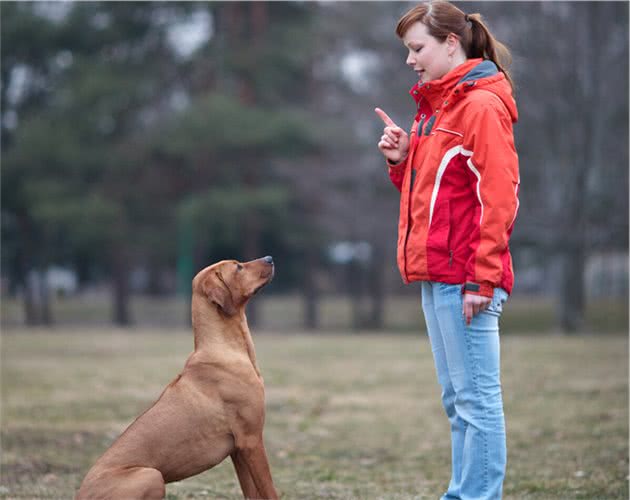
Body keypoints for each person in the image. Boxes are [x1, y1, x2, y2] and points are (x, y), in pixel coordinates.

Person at [375, 2, 519, 499]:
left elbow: (500, 195)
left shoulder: (478, 106)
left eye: (418, 48)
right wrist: (400, 161)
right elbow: (437, 198)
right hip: (439, 277)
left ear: (451, 43)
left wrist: (484, 278)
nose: (410, 60)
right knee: (459, 401)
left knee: (477, 401)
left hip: (467, 281)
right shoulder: (437, 110)